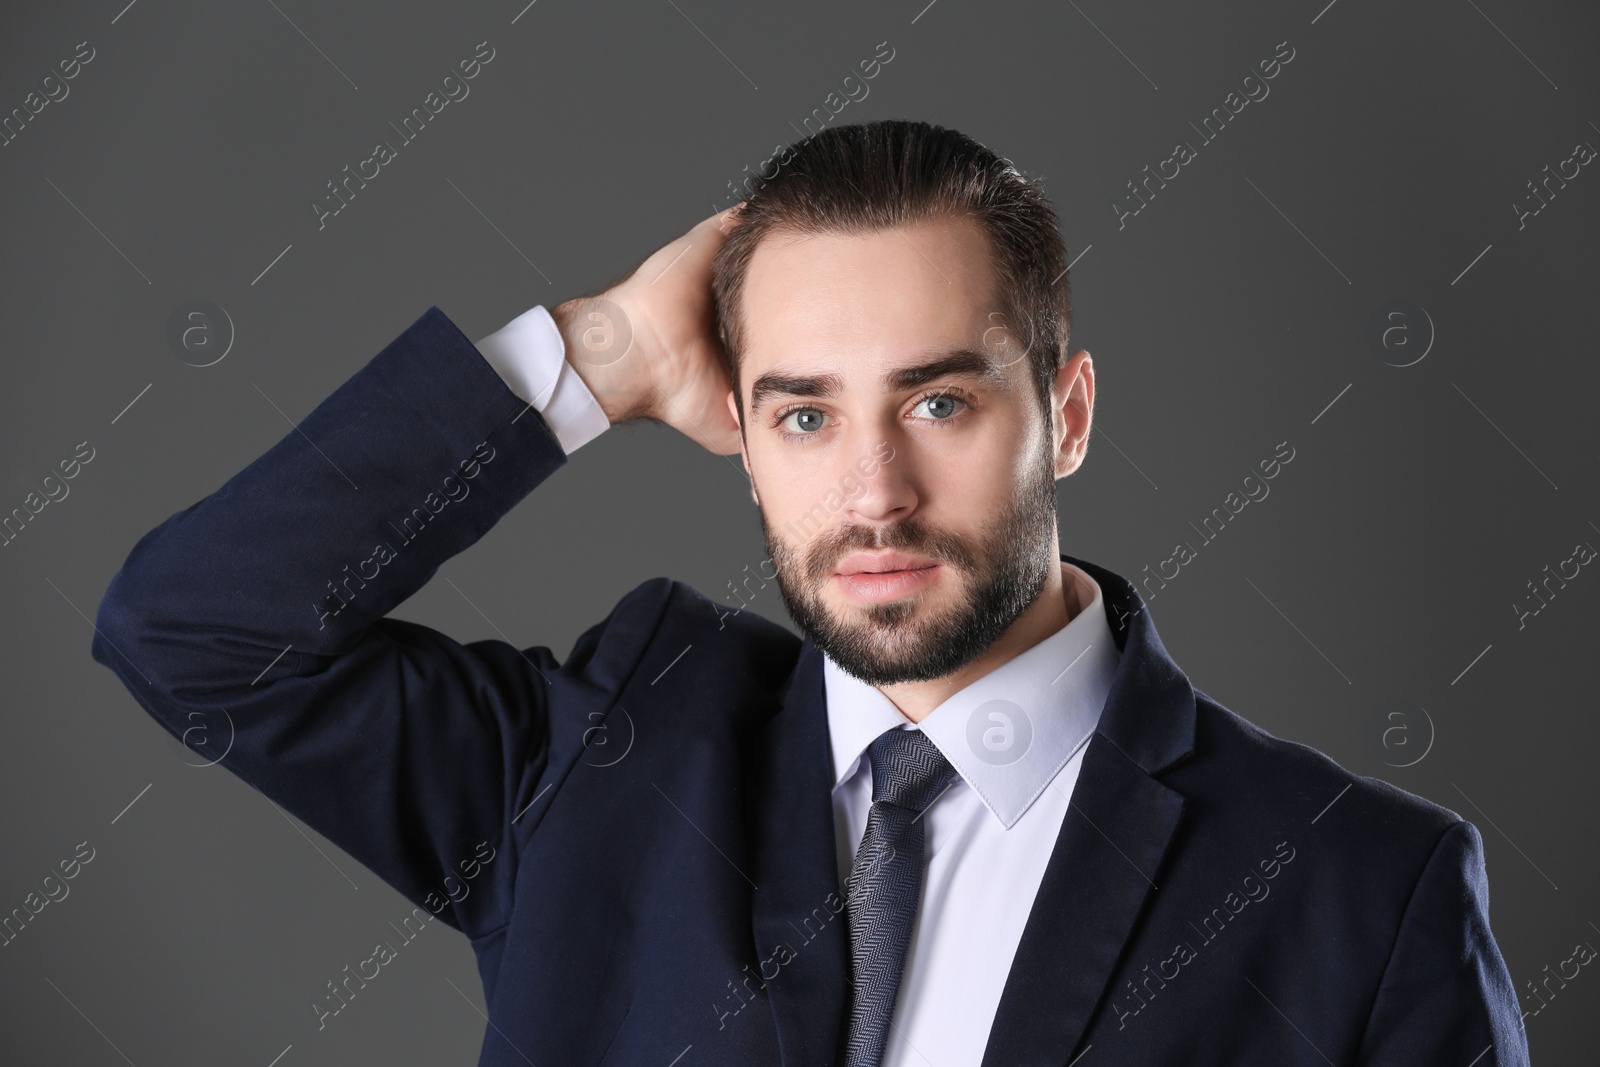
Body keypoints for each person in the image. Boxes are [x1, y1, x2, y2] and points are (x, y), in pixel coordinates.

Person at [91, 120, 1528, 1066]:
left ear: (1069, 416)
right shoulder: (605, 757)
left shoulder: (1360, 890)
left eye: (941, 404)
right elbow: (200, 633)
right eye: (803, 416)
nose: (874, 494)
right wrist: (599, 359)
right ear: (741, 439)